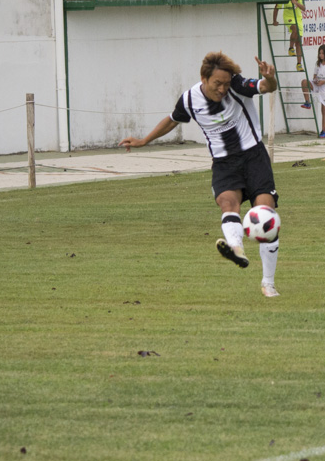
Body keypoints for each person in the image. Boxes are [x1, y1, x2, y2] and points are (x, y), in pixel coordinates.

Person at [119, 52, 284, 298]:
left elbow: (265, 87)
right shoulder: (189, 100)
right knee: (227, 203)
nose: (223, 88)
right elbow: (173, 120)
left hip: (253, 157)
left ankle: (268, 283)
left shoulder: (237, 85)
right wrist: (144, 140)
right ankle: (236, 249)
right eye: (217, 83)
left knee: (265, 216)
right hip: (224, 162)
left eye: (226, 83)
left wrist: (270, 79)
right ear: (204, 78)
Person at [300, 44, 325, 138]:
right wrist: (316, 80)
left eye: (322, 53)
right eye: (319, 53)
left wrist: (324, 82)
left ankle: (323, 131)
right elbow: (314, 76)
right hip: (318, 84)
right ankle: (307, 102)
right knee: (304, 82)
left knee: (324, 110)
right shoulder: (318, 63)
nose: (321, 55)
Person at [272, 0, 306, 71]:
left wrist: (296, 3)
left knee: (299, 42)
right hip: (289, 18)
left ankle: (299, 64)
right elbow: (276, 7)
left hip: (298, 19)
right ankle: (291, 48)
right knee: (294, 28)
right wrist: (274, 20)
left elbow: (304, 8)